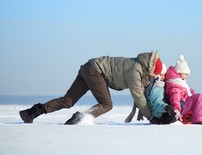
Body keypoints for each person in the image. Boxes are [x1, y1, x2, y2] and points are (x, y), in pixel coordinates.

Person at [19, 50, 164, 125]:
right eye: (153, 75)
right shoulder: (135, 70)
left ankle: (30, 113)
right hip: (95, 71)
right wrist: (151, 117)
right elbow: (138, 96)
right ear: (150, 69)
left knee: (68, 101)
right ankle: (80, 118)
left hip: (89, 67)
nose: (153, 77)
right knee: (106, 105)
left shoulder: (137, 65)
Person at [165, 55, 202, 125]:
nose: (186, 76)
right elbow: (175, 98)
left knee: (191, 91)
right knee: (198, 97)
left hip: (181, 103)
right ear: (179, 72)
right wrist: (176, 109)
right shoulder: (175, 85)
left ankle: (196, 110)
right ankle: (198, 121)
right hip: (179, 108)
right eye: (185, 74)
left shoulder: (175, 81)